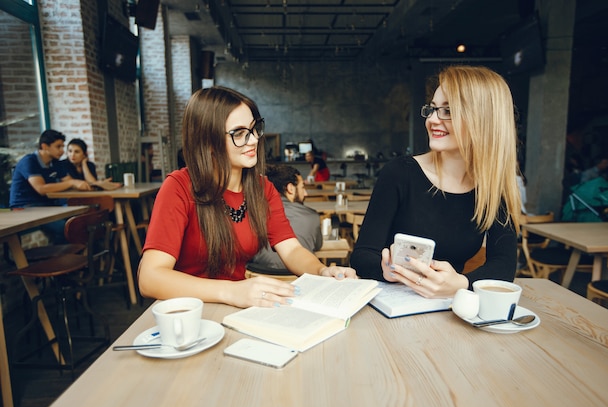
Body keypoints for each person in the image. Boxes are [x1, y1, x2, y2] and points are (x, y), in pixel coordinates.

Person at [138, 86, 356, 308]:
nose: (253, 140)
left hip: (235, 308)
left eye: (254, 129)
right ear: (208, 141)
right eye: (239, 134)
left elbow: (291, 249)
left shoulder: (262, 188)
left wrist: (321, 271)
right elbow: (150, 278)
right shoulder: (179, 187)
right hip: (186, 312)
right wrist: (231, 290)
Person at [350, 65, 521, 299]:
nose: (432, 119)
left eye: (448, 111)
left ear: (483, 120)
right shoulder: (400, 173)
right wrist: (388, 271)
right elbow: (363, 255)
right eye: (432, 109)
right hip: (393, 304)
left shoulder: (492, 187)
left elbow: (504, 266)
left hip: (448, 308)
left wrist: (460, 283)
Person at [9, 129, 92, 242]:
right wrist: (72, 183)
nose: (62, 151)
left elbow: (72, 184)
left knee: (83, 221)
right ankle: (64, 257)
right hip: (25, 207)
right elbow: (41, 189)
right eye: (58, 147)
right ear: (45, 146)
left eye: (63, 147)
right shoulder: (29, 161)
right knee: (67, 228)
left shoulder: (55, 163)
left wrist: (87, 185)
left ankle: (74, 256)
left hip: (47, 206)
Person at [249, 164, 323, 271]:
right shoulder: (312, 216)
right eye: (302, 187)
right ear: (290, 188)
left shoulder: (252, 214)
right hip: (299, 278)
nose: (305, 193)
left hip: (257, 275)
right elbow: (318, 246)